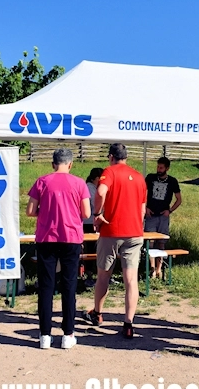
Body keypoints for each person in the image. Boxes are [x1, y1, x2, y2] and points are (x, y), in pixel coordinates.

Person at [27, 148, 91, 350]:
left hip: (47, 237)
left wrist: (44, 211)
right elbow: (86, 212)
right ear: (70, 164)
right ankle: (68, 334)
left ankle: (45, 335)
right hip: (71, 237)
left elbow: (30, 210)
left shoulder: (42, 181)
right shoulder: (79, 183)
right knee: (69, 285)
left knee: (46, 286)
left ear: (53, 163)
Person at [85, 143, 147, 339]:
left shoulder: (110, 172)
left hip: (111, 230)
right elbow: (143, 208)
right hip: (134, 232)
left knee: (103, 275)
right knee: (131, 279)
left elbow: (100, 192)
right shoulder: (139, 176)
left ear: (111, 157)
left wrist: (97, 213)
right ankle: (128, 323)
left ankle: (97, 313)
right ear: (126, 157)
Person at [145, 157, 182, 279]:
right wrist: (145, 207)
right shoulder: (150, 178)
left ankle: (159, 269)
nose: (159, 170)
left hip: (163, 216)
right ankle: (151, 268)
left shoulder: (172, 181)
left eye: (161, 168)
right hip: (151, 214)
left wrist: (170, 210)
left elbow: (179, 199)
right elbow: (142, 192)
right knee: (150, 242)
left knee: (161, 242)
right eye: (158, 167)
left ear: (167, 168)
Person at [82, 167, 104, 286]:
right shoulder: (89, 188)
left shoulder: (95, 188)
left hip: (98, 221)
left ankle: (100, 274)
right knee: (90, 248)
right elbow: (95, 204)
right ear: (96, 178)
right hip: (89, 222)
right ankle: (89, 274)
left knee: (99, 248)